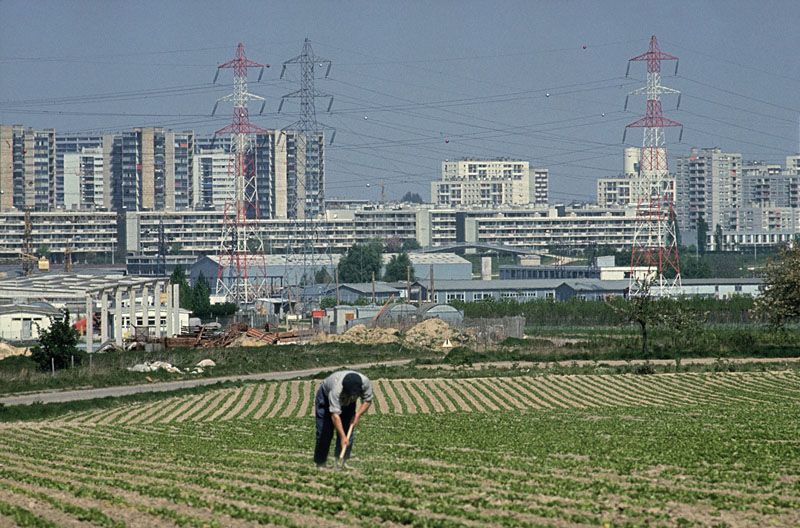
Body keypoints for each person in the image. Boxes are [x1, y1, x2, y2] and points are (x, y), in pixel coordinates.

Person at [314, 369, 373, 468]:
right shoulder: (336, 389)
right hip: (325, 399)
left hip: (349, 403)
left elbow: (368, 400)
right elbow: (335, 415)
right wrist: (342, 436)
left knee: (347, 433)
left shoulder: (365, 383)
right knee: (325, 432)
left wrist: (357, 415)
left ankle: (341, 463)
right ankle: (320, 463)